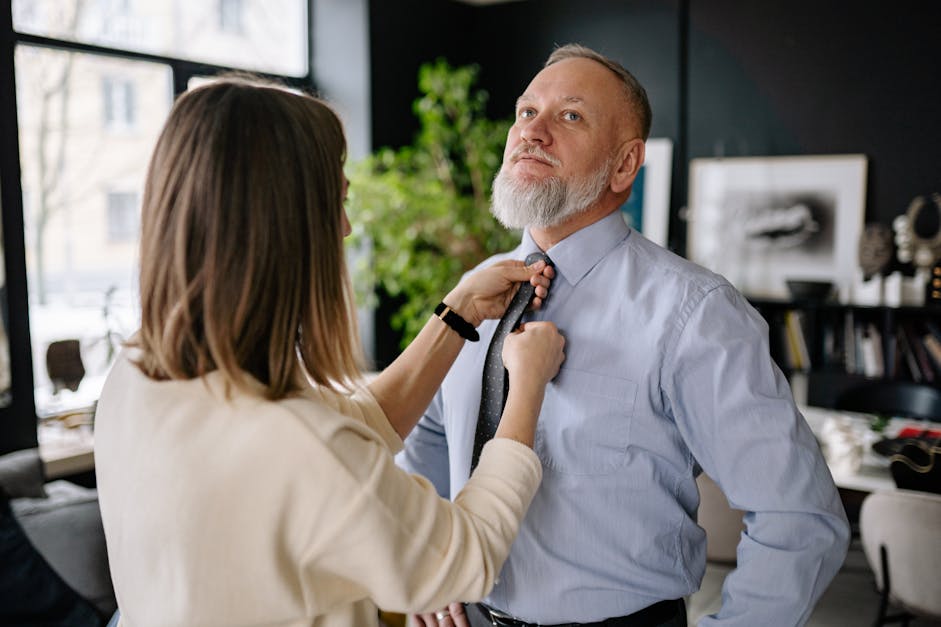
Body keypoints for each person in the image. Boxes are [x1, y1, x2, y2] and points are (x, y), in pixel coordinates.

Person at [399, 44, 850, 627]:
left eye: (569, 116)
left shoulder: (694, 314)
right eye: (525, 111)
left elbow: (799, 519)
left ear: (624, 165)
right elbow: (429, 436)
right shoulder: (472, 293)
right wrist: (428, 563)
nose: (532, 132)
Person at [93, 76, 566, 627]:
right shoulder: (298, 447)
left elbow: (354, 426)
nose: (344, 228)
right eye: (337, 203)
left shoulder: (135, 374)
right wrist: (526, 388)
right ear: (284, 225)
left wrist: (456, 314)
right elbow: (466, 558)